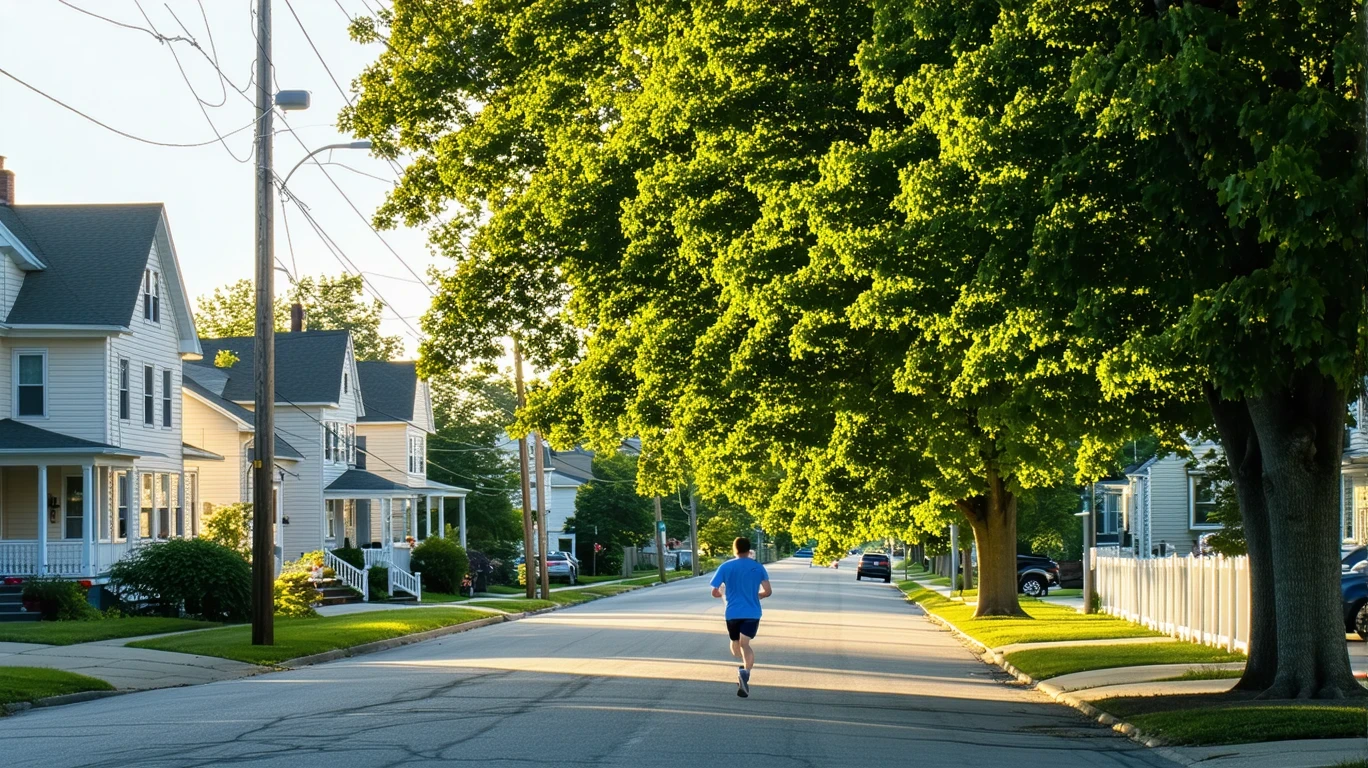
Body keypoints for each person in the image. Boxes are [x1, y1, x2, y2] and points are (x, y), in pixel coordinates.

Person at [710, 537, 772, 697]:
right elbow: (768, 591)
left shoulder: (725, 567)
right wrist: (755, 596)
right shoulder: (758, 567)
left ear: (734, 549)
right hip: (752, 612)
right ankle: (746, 671)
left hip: (732, 612)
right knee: (746, 644)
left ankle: (742, 667)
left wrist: (722, 593)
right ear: (748, 549)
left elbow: (714, 592)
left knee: (735, 643)